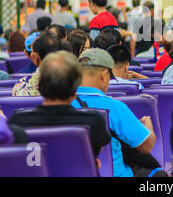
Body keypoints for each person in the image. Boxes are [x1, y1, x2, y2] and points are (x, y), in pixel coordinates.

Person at [69, 48, 165, 177]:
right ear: (103, 75)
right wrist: (147, 124)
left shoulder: (64, 105)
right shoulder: (115, 107)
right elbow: (146, 146)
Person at [9, 51, 110, 160]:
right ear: (75, 88)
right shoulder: (94, 121)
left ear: (40, 86)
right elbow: (95, 154)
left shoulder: (17, 122)